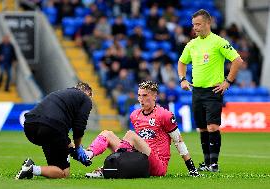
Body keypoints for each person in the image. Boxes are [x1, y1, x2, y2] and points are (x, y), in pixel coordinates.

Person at [84, 80, 199, 178]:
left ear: (154, 96)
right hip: (139, 159)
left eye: (145, 95)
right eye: (139, 95)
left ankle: (109, 167)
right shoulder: (135, 115)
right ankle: (87, 155)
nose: (141, 99)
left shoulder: (165, 115)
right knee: (107, 133)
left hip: (158, 165)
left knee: (130, 135)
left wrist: (191, 167)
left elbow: (178, 141)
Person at [177, 9, 243, 172]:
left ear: (208, 23)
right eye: (194, 25)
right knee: (202, 128)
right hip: (197, 91)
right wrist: (183, 79)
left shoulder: (219, 42)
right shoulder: (192, 44)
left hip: (213, 91)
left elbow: (237, 60)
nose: (195, 28)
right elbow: (181, 62)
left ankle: (214, 163)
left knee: (213, 126)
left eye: (198, 24)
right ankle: (207, 163)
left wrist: (227, 82)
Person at [15, 82, 93, 179]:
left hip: (30, 125)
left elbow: (62, 136)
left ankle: (33, 169)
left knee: (54, 167)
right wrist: (78, 148)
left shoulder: (61, 93)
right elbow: (79, 127)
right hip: (51, 128)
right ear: (88, 93)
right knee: (63, 173)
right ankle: (31, 168)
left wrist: (73, 150)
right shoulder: (85, 99)